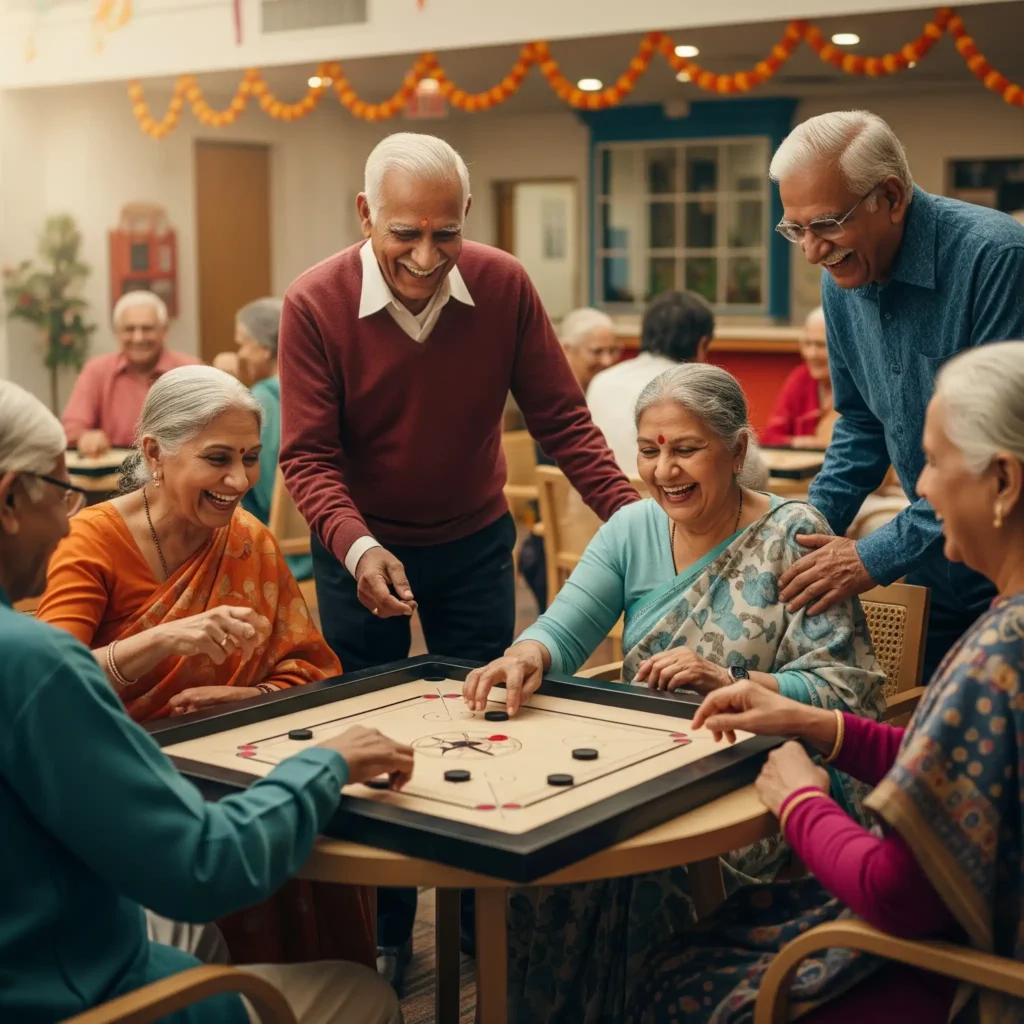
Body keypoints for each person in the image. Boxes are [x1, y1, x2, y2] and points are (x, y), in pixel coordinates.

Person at [277, 131, 638, 983]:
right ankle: (390, 933)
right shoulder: (314, 302)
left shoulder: (504, 284)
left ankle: (482, 920)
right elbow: (307, 458)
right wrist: (357, 545)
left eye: (447, 233)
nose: (428, 255)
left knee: (490, 728)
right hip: (358, 545)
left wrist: (636, 522)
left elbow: (562, 422)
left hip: (474, 543)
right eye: (405, 233)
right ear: (366, 216)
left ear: (466, 217)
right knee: (369, 738)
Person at [462, 362, 885, 1022]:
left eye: (687, 449)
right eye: (651, 451)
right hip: (644, 772)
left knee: (643, 875)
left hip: (753, 778)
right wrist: (524, 656)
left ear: (738, 450)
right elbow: (562, 629)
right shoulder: (632, 527)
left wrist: (737, 682)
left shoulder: (793, 536)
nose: (665, 471)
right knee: (546, 857)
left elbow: (846, 692)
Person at [629, 340, 1024, 1024]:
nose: (919, 489)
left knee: (671, 971)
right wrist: (816, 724)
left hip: (943, 979)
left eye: (931, 462)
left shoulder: (999, 656)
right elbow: (968, 775)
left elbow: (895, 895)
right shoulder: (1007, 632)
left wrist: (800, 800)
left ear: (1005, 482)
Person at [0, 378, 408, 1024]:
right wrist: (327, 762)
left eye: (251, 458)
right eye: (61, 490)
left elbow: (310, 670)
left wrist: (250, 695)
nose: (242, 478)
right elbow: (199, 864)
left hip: (89, 898)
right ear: (154, 455)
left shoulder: (248, 541)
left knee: (210, 940)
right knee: (372, 1000)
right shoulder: (37, 650)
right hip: (95, 951)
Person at [768, 109, 1024, 682]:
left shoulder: (996, 257)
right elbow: (860, 425)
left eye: (826, 224)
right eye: (795, 230)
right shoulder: (842, 277)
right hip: (934, 564)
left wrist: (868, 557)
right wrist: (805, 531)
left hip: (1011, 565)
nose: (811, 252)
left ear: (890, 196)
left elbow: (991, 458)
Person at [516, 307, 620, 609]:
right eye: (597, 351)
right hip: (562, 533)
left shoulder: (611, 401)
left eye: (613, 350)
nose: (608, 361)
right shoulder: (553, 412)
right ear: (565, 350)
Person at [587, 289, 715, 474]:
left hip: (596, 499)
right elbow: (744, 467)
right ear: (702, 345)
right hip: (663, 499)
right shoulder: (694, 389)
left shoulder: (601, 381)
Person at [231, 297, 313, 581]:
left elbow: (263, 491)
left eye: (243, 344)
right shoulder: (314, 391)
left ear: (265, 349)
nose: (239, 354)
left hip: (274, 549)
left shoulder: (261, 400)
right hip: (326, 545)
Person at [62, 290, 199, 457]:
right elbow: (72, 426)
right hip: (112, 474)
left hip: (176, 469)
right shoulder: (96, 370)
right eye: (129, 329)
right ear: (117, 332)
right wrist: (84, 437)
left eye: (147, 328)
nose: (138, 338)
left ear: (165, 330)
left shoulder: (191, 370)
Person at [761, 306, 836, 448]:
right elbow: (770, 438)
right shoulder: (800, 378)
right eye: (807, 344)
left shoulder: (859, 387)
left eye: (821, 345)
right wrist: (800, 444)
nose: (811, 354)